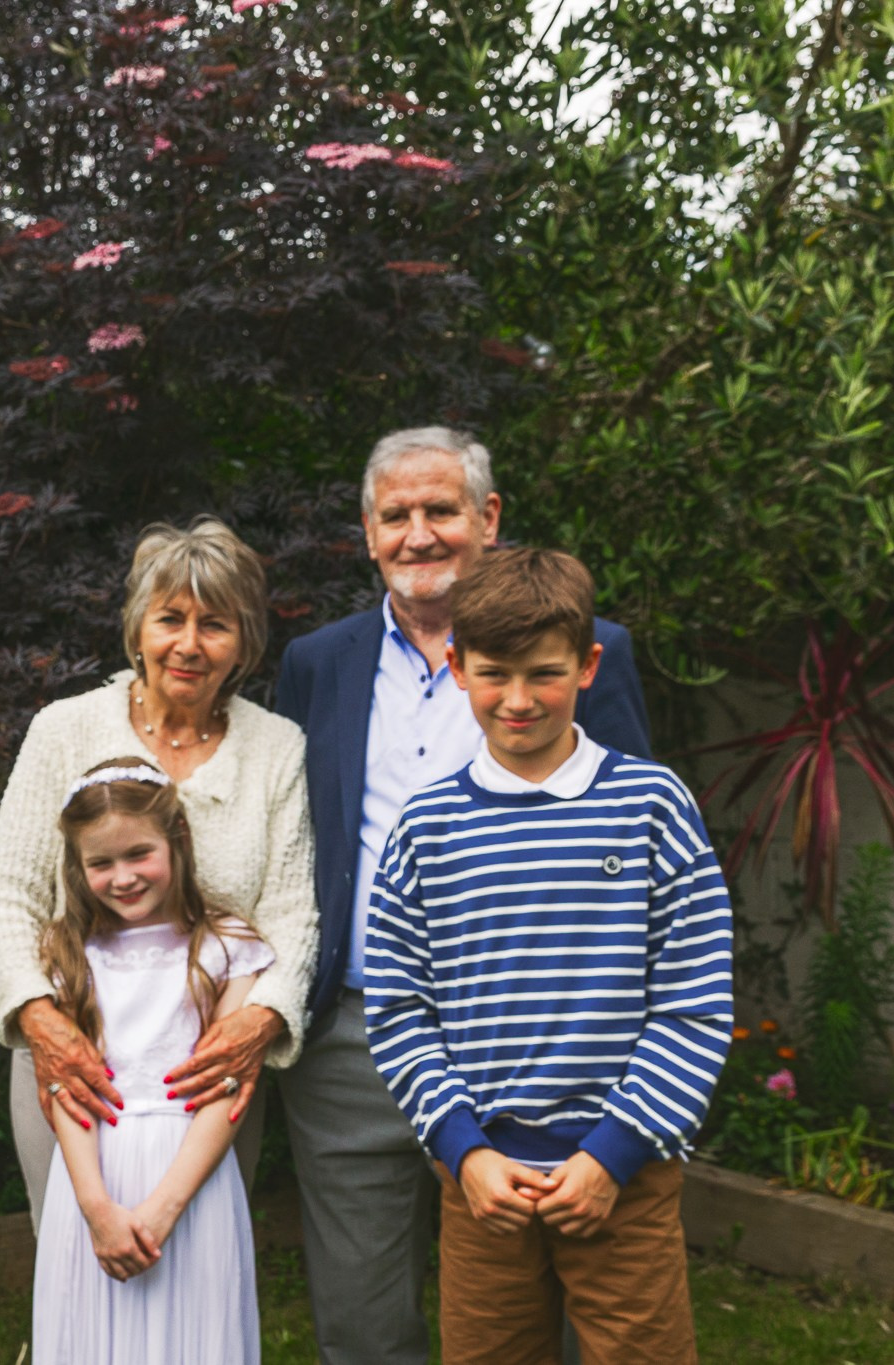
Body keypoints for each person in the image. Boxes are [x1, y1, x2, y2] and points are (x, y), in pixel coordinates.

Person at [271, 427, 653, 1363]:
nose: (418, 533)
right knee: (361, 1313)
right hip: (360, 1031)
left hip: (538, 1033)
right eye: (394, 515)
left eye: (440, 509)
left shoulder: (588, 652)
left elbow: (629, 845)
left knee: (551, 1301)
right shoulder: (318, 662)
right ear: (368, 534)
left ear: (487, 518)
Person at [364, 547, 732, 1364]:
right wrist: (464, 1149)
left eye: (546, 674)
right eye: (495, 674)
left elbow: (694, 1005)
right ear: (457, 667)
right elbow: (397, 1008)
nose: (519, 700)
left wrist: (613, 1153)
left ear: (589, 665)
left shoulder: (651, 806)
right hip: (485, 1183)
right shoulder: (425, 828)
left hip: (623, 1179)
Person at [0, 516, 319, 1231]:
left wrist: (262, 1017)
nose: (189, 644)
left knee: (199, 1257)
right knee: (75, 1255)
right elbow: (9, 893)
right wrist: (39, 1018)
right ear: (138, 627)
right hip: (77, 1060)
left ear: (244, 644)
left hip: (208, 1071)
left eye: (215, 624)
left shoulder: (277, 747)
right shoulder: (64, 729)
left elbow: (292, 910)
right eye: (170, 618)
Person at [29, 760, 273, 1365]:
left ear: (177, 843)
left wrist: (163, 1210)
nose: (123, 877)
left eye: (140, 853)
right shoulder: (66, 954)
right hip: (93, 1177)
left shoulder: (228, 948)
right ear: (77, 869)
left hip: (190, 1180)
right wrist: (97, 1209)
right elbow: (66, 1088)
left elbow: (224, 1089)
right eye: (101, 863)